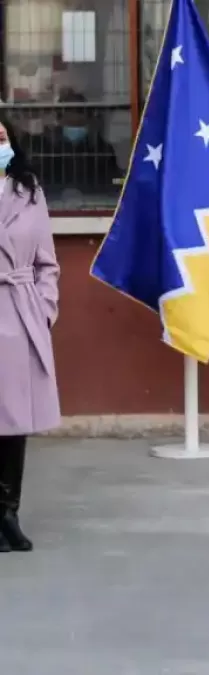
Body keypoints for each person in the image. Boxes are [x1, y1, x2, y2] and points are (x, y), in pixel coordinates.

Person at [0, 114, 60, 552]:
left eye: (1, 135)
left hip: (18, 315)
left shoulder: (29, 191)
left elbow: (47, 263)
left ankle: (7, 513)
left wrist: (43, 309)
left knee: (13, 421)